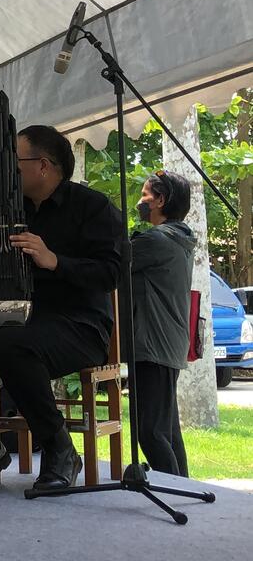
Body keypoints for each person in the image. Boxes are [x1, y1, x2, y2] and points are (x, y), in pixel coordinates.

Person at [0, 125, 123, 493]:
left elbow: (111, 274)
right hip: (16, 318)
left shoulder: (92, 207)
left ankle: (59, 448)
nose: (7, 173)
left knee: (8, 343)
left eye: (14, 165)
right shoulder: (4, 207)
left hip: (79, 326)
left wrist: (54, 261)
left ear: (44, 166)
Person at [126, 170, 194, 476]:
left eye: (144, 195)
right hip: (166, 343)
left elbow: (113, 262)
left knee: (150, 432)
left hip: (153, 345)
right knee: (167, 431)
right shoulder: (179, 238)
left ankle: (175, 490)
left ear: (160, 200)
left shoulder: (156, 240)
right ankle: (186, 489)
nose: (140, 202)